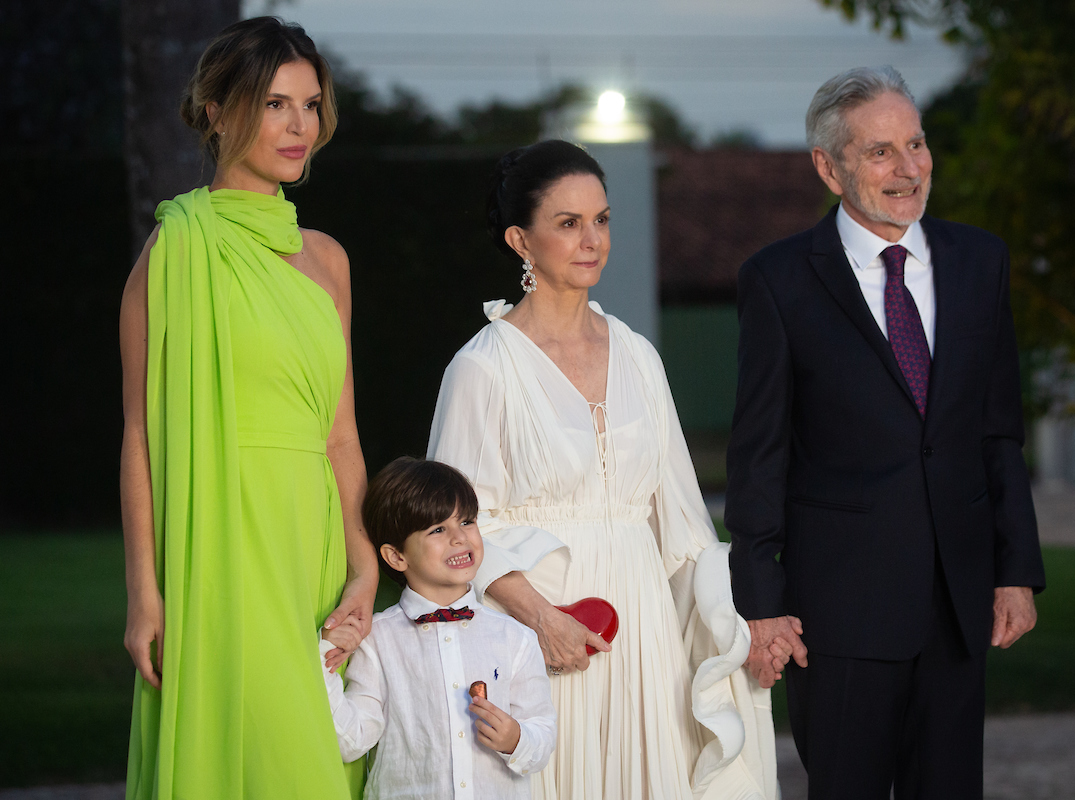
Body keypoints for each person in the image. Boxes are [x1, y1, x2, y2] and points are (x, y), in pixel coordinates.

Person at [725, 66, 1047, 799]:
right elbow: (758, 456)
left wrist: (1015, 569)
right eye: (880, 152)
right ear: (828, 167)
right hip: (838, 612)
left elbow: (998, 431)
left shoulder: (979, 262)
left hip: (959, 604)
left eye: (917, 143)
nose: (908, 169)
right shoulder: (778, 281)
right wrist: (761, 601)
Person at [427, 139, 777, 800]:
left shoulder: (639, 355)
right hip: (537, 636)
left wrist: (738, 622)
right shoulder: (482, 368)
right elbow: (451, 531)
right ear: (519, 240)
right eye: (568, 223)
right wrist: (541, 618)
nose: (592, 240)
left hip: (642, 637)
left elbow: (681, 522)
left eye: (603, 219)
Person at [118, 17, 377, 800]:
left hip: (316, 546)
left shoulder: (328, 260)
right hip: (219, 545)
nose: (300, 126)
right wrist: (143, 593)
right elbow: (138, 435)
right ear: (220, 111)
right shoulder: (173, 252)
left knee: (323, 760)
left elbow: (341, 437)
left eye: (310, 104)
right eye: (275, 104)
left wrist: (364, 567)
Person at [319, 457, 557, 800]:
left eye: (467, 521)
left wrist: (517, 739)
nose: (460, 538)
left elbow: (543, 732)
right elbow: (351, 740)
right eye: (438, 529)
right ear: (397, 556)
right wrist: (323, 661)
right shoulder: (377, 640)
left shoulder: (515, 638)